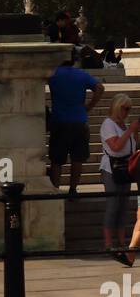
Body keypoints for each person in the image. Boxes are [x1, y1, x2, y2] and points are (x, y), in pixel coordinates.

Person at [47, 54, 104, 196]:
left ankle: (55, 189)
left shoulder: (53, 74)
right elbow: (100, 87)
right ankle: (73, 190)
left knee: (56, 160)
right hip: (79, 121)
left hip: (59, 121)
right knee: (78, 158)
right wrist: (89, 106)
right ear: (73, 60)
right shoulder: (81, 74)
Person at [99, 94, 140, 263]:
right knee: (113, 204)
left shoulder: (123, 125)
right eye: (125, 108)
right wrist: (131, 130)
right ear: (117, 107)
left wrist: (133, 132)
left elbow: (132, 146)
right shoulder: (108, 124)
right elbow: (115, 146)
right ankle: (108, 243)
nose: (127, 112)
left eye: (129, 109)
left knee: (123, 206)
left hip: (125, 167)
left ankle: (123, 241)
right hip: (111, 168)